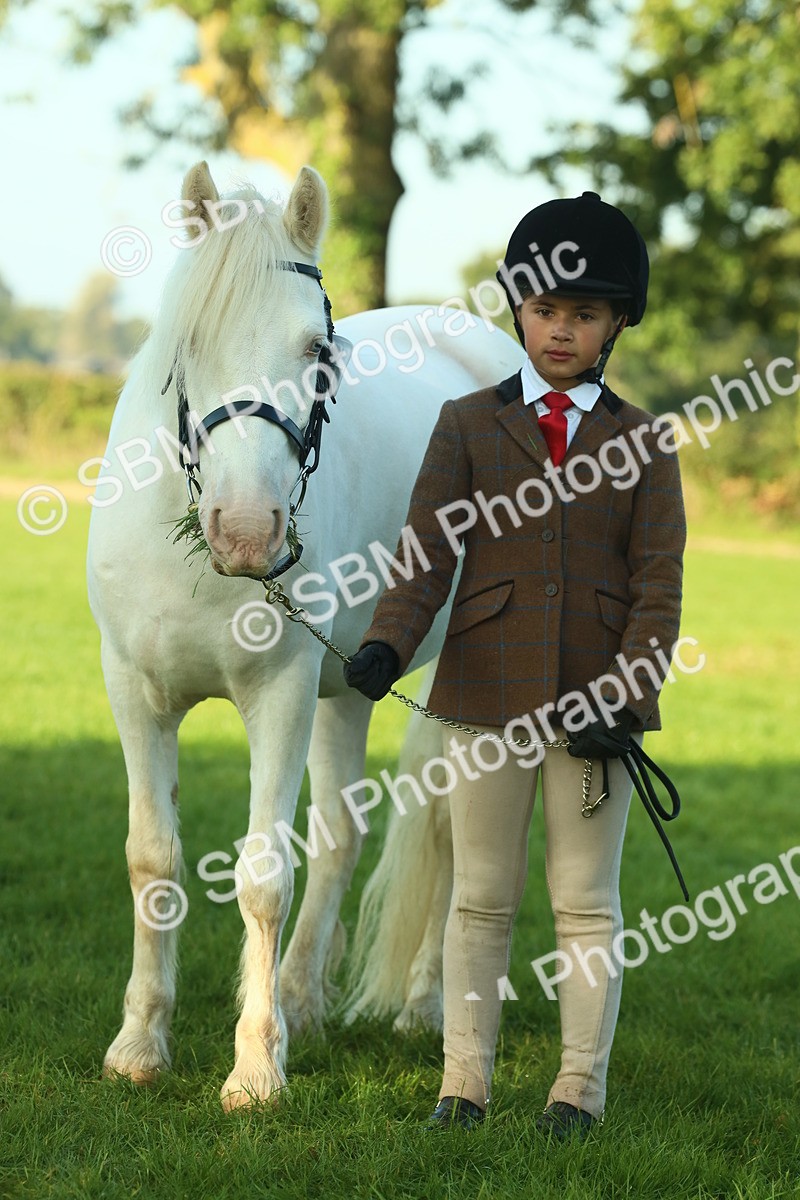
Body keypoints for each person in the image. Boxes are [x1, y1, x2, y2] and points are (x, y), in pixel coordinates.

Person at [343, 192, 686, 1140]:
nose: (562, 329)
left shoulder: (645, 444)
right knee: (480, 897)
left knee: (585, 904)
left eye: (585, 314)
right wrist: (386, 643)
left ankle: (579, 1087)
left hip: (596, 714)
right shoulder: (462, 425)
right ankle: (465, 1084)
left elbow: (658, 590)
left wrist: (626, 696)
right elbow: (424, 559)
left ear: (617, 322)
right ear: (518, 311)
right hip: (483, 694)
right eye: (546, 311)